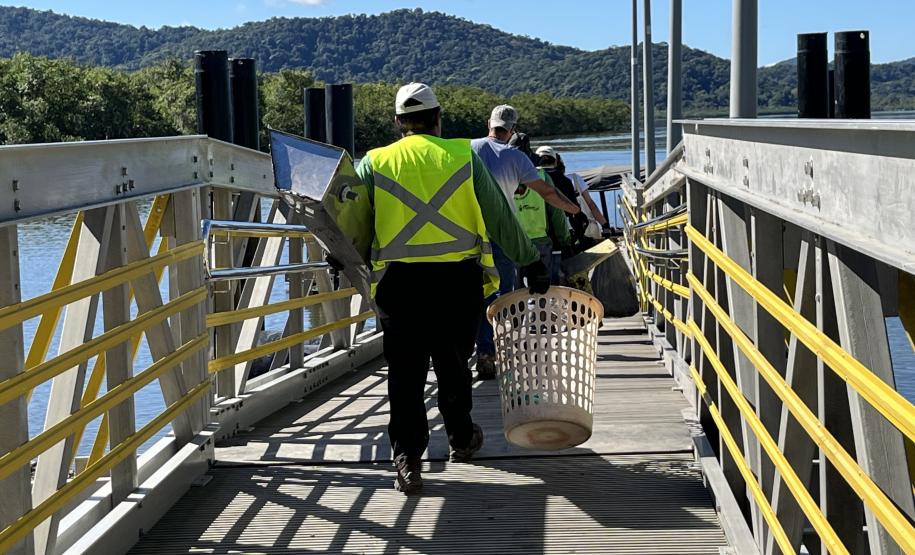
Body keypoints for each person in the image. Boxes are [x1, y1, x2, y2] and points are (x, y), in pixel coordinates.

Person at [353, 83, 550, 495]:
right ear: (438, 118)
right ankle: (461, 438)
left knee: (404, 375)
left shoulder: (373, 161)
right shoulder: (464, 155)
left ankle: (407, 458)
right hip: (456, 282)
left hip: (400, 282)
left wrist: (341, 256)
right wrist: (530, 260)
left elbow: (350, 220)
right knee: (453, 365)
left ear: (397, 123)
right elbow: (499, 217)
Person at [472, 106, 580, 380]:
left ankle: (468, 352)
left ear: (489, 124)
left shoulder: (467, 149)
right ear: (513, 130)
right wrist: (573, 209)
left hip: (467, 236)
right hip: (502, 236)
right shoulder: (516, 157)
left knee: (470, 296)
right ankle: (491, 351)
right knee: (502, 297)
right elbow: (546, 192)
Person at [514, 182, 572, 285]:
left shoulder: (498, 171)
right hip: (540, 243)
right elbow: (557, 212)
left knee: (513, 292)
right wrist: (565, 241)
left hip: (512, 243)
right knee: (543, 289)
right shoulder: (541, 177)